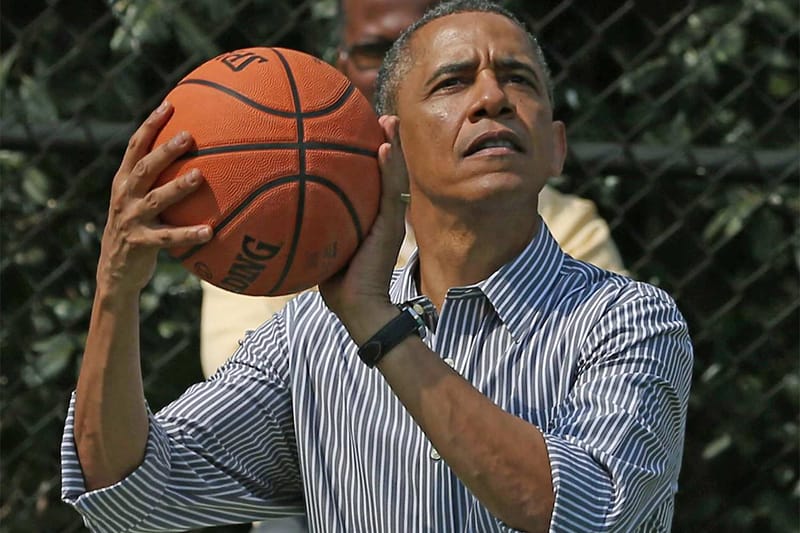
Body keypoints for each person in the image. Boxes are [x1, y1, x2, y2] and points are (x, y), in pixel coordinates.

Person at [61, 1, 693, 531]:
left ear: (555, 147)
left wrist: (378, 324)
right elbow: (127, 490)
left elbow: (592, 514)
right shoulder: (312, 334)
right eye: (452, 82)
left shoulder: (629, 321)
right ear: (386, 143)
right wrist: (117, 284)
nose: (492, 98)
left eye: (519, 80)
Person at [199, 0, 626, 378]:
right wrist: (127, 279)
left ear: (556, 146)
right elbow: (240, 411)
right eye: (375, 53)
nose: (392, 71)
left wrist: (375, 327)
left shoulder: (570, 237)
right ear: (341, 67)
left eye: (424, 55)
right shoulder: (264, 209)